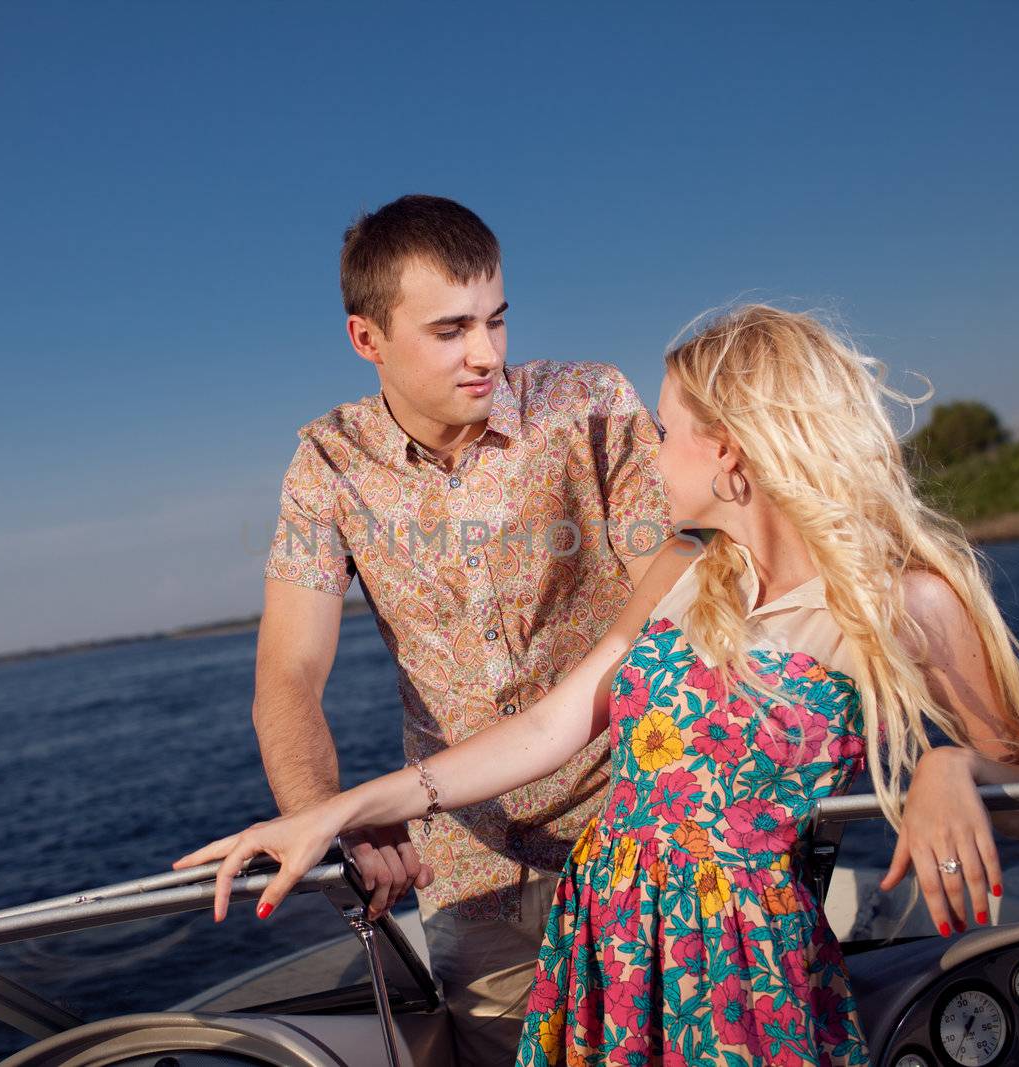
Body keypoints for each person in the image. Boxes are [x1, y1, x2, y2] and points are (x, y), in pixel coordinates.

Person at [175, 304, 1019, 1066]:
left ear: (731, 455)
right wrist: (336, 810)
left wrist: (950, 768)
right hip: (602, 951)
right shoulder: (686, 574)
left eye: (666, 431)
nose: (647, 453)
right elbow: (549, 726)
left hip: (740, 974)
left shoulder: (903, 600)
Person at [174, 194, 674, 1065]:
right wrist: (327, 818)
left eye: (496, 320)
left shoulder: (592, 404)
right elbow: (288, 675)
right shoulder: (327, 464)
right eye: (450, 330)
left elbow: (673, 610)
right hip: (472, 871)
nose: (486, 354)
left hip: (640, 831)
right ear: (367, 338)